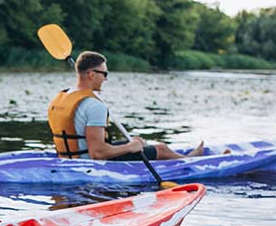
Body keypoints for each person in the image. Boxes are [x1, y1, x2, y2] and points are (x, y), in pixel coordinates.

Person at [47, 51, 204, 161]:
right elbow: (97, 153)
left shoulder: (61, 97)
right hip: (88, 163)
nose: (106, 79)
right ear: (91, 74)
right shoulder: (94, 105)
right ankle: (189, 161)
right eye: (105, 74)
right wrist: (130, 147)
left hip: (68, 158)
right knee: (161, 148)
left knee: (139, 142)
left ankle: (178, 156)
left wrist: (131, 144)